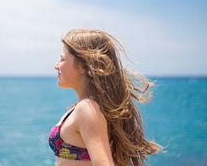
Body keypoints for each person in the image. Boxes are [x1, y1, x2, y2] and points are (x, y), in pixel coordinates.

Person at [49, 28, 161, 166]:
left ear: (83, 66)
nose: (56, 65)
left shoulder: (87, 109)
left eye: (62, 59)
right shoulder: (83, 107)